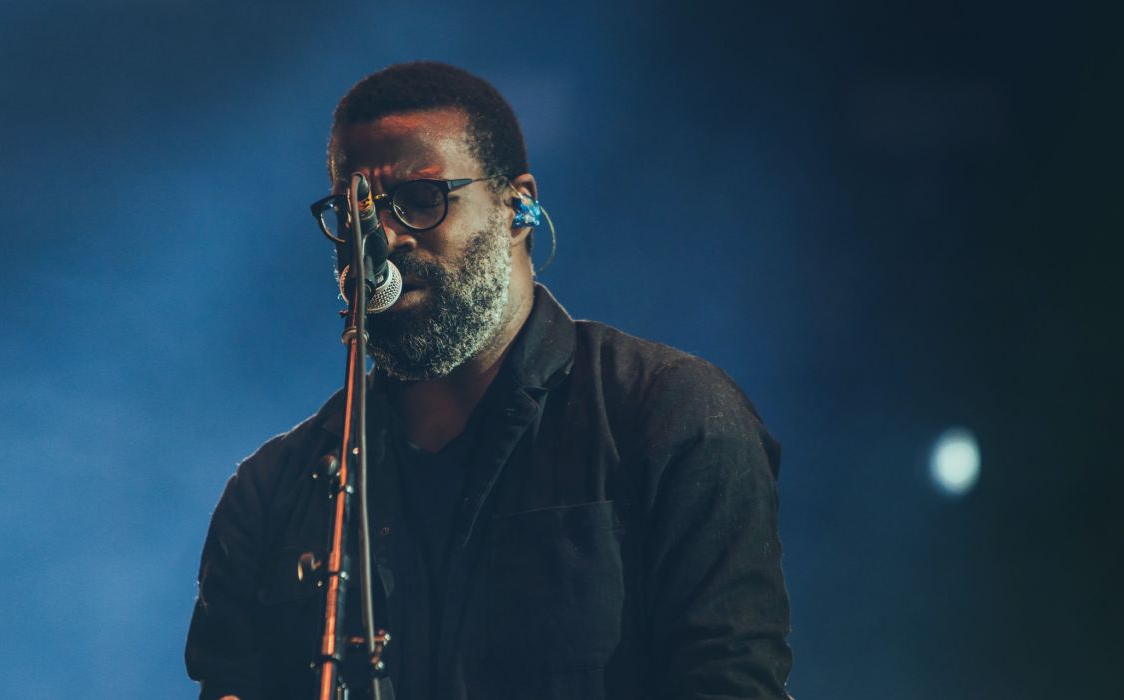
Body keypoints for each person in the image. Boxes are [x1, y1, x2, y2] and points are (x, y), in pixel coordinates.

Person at [185, 61, 793, 700]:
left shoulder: (672, 416)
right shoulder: (269, 492)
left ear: (516, 208)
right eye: (355, 211)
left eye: (421, 199)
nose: (381, 239)